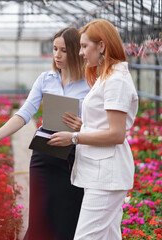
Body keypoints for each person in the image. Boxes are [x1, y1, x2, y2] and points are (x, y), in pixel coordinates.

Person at [0, 27, 90, 240]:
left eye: (64, 50)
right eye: (55, 49)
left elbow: (100, 123)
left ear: (77, 51)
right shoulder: (46, 79)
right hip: (44, 154)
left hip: (73, 154)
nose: (57, 55)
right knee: (40, 217)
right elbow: (24, 113)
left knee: (68, 215)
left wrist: (82, 126)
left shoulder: (90, 83)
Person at [47, 19, 138, 240]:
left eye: (84, 46)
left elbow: (116, 135)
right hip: (101, 174)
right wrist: (84, 126)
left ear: (102, 46)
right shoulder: (106, 77)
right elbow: (106, 126)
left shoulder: (116, 81)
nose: (80, 53)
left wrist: (74, 137)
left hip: (106, 176)